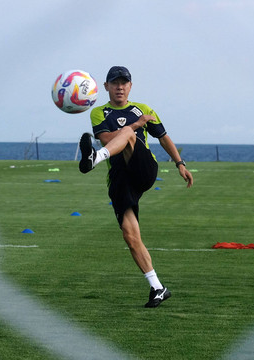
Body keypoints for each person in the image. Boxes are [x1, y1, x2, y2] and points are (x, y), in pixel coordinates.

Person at [78, 66, 194, 307]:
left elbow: (163, 137)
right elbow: (107, 139)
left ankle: (95, 160)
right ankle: (158, 288)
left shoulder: (144, 110)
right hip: (120, 178)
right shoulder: (99, 112)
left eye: (124, 82)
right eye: (115, 83)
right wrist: (134, 125)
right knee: (130, 236)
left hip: (143, 169)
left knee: (130, 135)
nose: (120, 87)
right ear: (106, 86)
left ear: (130, 86)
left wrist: (179, 163)